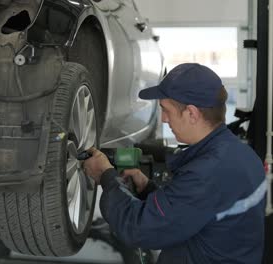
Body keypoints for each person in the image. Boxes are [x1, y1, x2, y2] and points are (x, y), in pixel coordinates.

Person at [83, 63, 266, 263]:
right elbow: (191, 214)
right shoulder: (240, 154)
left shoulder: (208, 172)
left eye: (166, 110)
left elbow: (140, 229)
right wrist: (147, 189)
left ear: (192, 113)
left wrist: (106, 177)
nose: (163, 119)